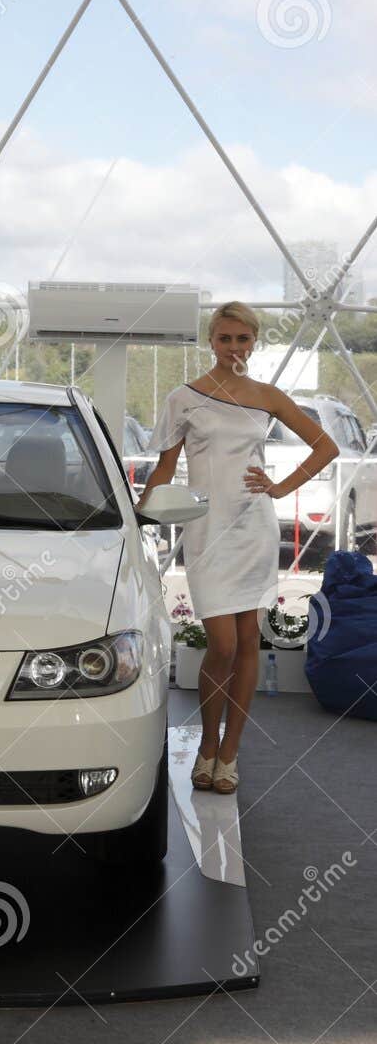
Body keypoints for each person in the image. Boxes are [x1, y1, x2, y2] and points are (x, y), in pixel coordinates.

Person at [139, 302, 338, 795]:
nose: (234, 347)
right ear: (212, 341)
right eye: (225, 338)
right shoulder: (184, 398)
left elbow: (326, 446)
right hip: (206, 527)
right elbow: (165, 468)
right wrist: (139, 513)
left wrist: (281, 485)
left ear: (254, 342)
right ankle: (208, 743)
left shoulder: (267, 396)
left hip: (253, 526)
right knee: (222, 644)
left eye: (242, 339)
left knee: (248, 639)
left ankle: (228, 755)